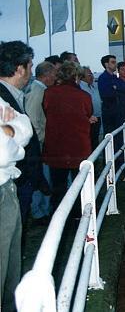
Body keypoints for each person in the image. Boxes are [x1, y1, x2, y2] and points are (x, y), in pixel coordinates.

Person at [0, 41, 50, 223]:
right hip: (14, 179)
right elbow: (16, 138)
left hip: (20, 177)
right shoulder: (3, 97)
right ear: (20, 69)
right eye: (30, 66)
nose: (31, 72)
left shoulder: (13, 94)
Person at [42, 61, 96, 216]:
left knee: (58, 188)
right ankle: (80, 219)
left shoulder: (49, 93)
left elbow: (47, 112)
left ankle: (59, 221)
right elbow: (88, 112)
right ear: (77, 76)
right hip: (79, 148)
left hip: (56, 148)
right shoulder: (84, 96)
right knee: (81, 187)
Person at [0, 98, 33, 312]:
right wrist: (15, 143)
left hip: (7, 188)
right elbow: (3, 155)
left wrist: (9, 130)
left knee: (11, 275)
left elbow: (26, 127)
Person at [25, 62, 56, 224]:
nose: (56, 77)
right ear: (47, 75)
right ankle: (38, 213)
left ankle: (42, 210)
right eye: (54, 74)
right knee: (40, 176)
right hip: (38, 144)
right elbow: (32, 120)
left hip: (40, 142)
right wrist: (40, 141)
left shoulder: (40, 90)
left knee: (44, 176)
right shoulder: (38, 92)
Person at [80, 66, 102, 150]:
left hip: (97, 118)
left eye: (92, 74)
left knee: (95, 141)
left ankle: (95, 161)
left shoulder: (93, 86)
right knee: (89, 142)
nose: (92, 76)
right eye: (89, 74)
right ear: (82, 76)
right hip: (89, 119)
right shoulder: (81, 87)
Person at [97, 55, 119, 134]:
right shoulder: (103, 78)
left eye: (115, 62)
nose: (115, 64)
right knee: (110, 136)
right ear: (106, 64)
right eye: (113, 62)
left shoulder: (115, 77)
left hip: (117, 112)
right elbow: (106, 95)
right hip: (109, 113)